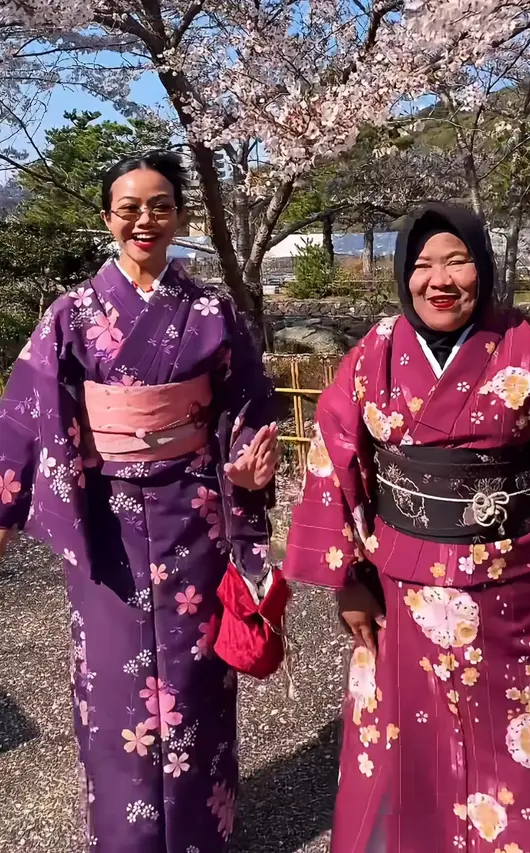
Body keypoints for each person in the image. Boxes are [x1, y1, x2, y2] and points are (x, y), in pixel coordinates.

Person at [283, 201, 530, 853]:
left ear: (485, 267)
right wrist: (347, 581)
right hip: (402, 608)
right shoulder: (375, 354)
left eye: (457, 261)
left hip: (525, 608)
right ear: (401, 275)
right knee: (408, 779)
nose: (439, 280)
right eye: (421, 265)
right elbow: (332, 456)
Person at [0, 151, 279, 853]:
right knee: (111, 685)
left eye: (160, 205)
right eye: (129, 207)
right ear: (107, 219)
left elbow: (248, 406)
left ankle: (200, 828)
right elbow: (26, 412)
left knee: (196, 675)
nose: (144, 220)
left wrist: (246, 471)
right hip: (107, 524)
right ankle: (123, 838)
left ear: (180, 215)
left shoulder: (213, 310)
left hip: (197, 514)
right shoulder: (72, 314)